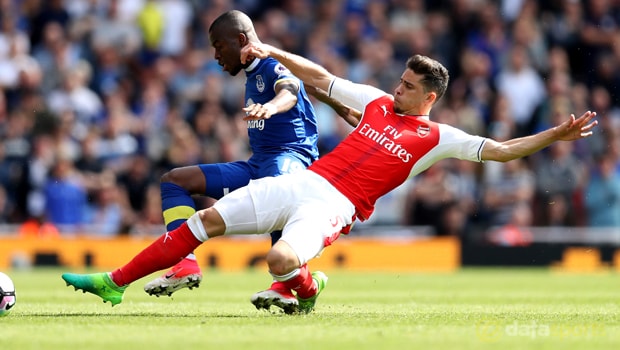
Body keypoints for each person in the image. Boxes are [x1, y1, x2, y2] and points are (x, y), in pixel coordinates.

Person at [61, 40, 597, 315]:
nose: (398, 88)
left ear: (430, 98)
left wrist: (554, 134)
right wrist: (271, 51)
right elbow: (320, 78)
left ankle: (307, 286)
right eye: (401, 80)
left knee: (279, 261)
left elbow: (501, 151)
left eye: (409, 86)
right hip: (305, 180)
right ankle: (114, 284)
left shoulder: (438, 139)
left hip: (333, 207)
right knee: (206, 219)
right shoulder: (380, 106)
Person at [141, 10, 360, 315]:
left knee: (278, 193)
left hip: (290, 158)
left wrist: (270, 108)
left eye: (219, 46)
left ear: (241, 40)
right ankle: (184, 264)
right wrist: (340, 106)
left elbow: (289, 91)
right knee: (176, 180)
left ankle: (288, 286)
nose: (215, 55)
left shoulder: (272, 65)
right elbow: (305, 84)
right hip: (258, 163)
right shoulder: (256, 71)